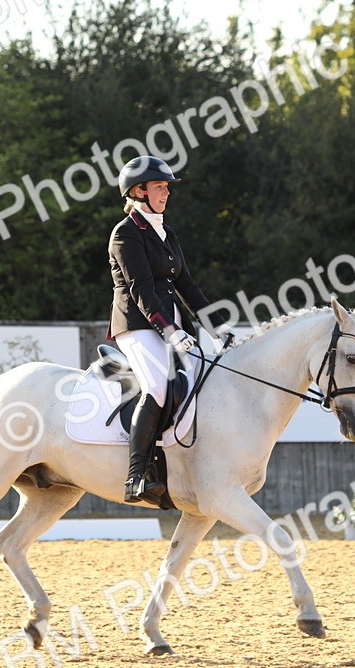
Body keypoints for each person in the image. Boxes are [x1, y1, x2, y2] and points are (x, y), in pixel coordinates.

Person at [107, 155, 233, 506]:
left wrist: (218, 327)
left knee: (199, 383)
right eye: (160, 186)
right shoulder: (125, 233)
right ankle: (136, 476)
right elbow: (142, 291)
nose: (166, 193)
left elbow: (187, 286)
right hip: (137, 325)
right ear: (139, 191)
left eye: (166, 187)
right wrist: (169, 330)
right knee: (158, 387)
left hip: (171, 324)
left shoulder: (165, 231)